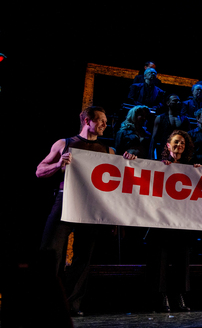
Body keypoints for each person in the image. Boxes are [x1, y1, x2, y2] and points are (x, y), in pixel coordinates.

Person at [36, 106, 135, 317]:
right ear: (87, 120)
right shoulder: (65, 144)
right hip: (65, 202)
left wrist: (127, 163)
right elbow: (39, 171)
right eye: (101, 121)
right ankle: (44, 303)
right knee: (51, 252)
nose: (105, 125)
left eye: (106, 122)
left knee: (83, 258)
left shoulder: (109, 152)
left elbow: (118, 185)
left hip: (91, 206)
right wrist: (58, 166)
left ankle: (71, 305)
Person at [147, 130, 200, 313]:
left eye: (183, 143)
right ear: (168, 145)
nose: (179, 146)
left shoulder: (192, 168)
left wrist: (200, 172)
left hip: (183, 222)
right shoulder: (158, 165)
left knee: (182, 260)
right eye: (176, 142)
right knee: (161, 261)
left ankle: (179, 296)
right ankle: (161, 297)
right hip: (162, 221)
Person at [151, 94, 191, 160]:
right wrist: (151, 154)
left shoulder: (185, 119)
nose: (178, 103)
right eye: (175, 101)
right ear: (168, 103)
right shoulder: (160, 118)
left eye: (179, 101)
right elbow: (154, 138)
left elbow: (188, 138)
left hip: (179, 151)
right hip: (164, 149)